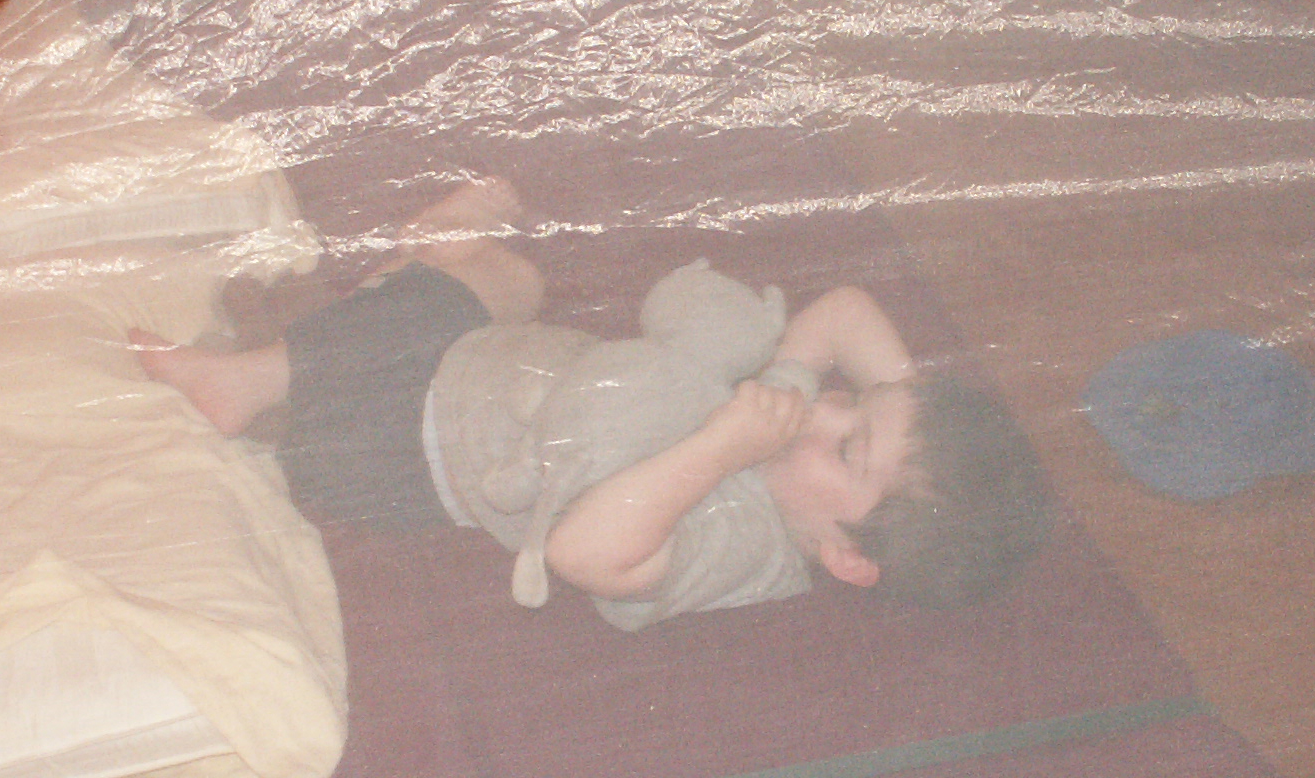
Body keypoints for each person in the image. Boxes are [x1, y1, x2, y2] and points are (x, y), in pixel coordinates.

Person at [136, 179, 1049, 629]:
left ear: (845, 555)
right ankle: (426, 273)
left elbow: (585, 555)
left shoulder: (744, 543)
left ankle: (246, 383)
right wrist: (823, 385)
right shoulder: (797, 420)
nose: (825, 420)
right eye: (855, 405)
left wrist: (723, 447)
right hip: (500, 370)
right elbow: (845, 313)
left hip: (409, 452)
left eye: (849, 452)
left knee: (412, 322)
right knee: (511, 283)